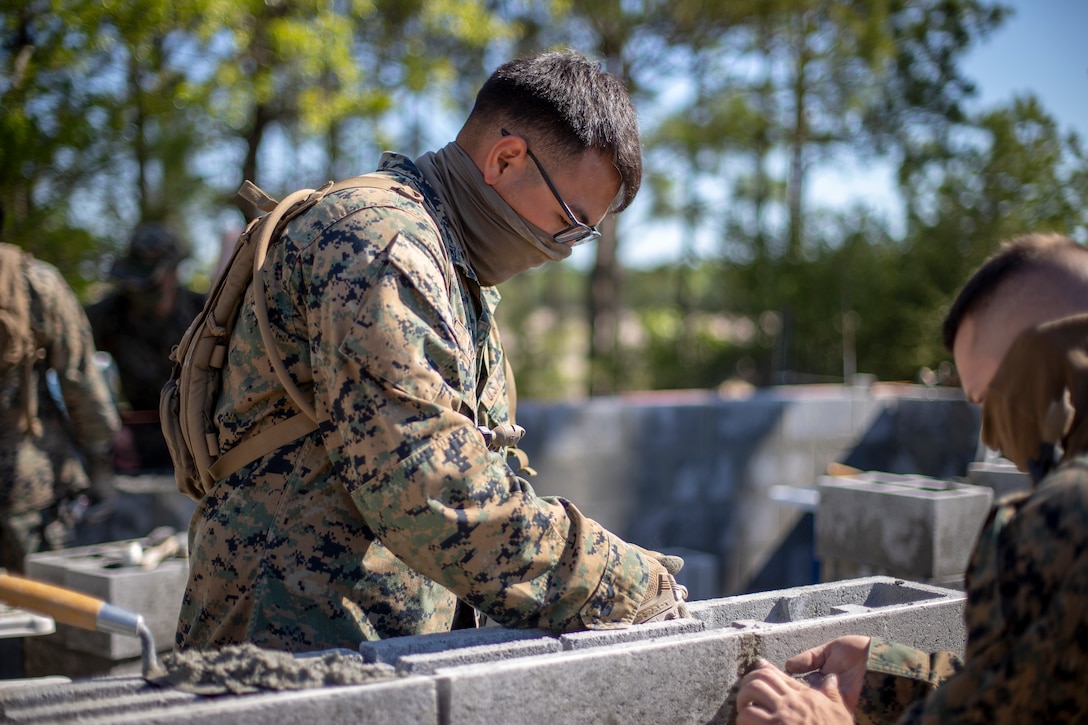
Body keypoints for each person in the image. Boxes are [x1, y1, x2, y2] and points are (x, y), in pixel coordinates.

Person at [175, 49, 688, 653]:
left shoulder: (449, 261)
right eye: (570, 221)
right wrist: (617, 582)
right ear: (506, 158)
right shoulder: (384, 243)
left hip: (359, 652)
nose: (566, 248)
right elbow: (431, 492)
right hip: (285, 655)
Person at [735, 231, 1088, 724]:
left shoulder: (1062, 518)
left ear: (1043, 360)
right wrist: (892, 679)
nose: (995, 436)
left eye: (990, 398)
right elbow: (1042, 696)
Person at [0, 207, 121, 573]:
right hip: (29, 487)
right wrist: (101, 467)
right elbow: (81, 381)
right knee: (39, 611)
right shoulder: (35, 282)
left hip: (28, 489)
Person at [86, 223, 205, 472]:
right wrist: (107, 429)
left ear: (173, 274)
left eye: (150, 287)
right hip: (130, 443)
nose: (138, 294)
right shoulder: (107, 314)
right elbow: (78, 371)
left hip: (198, 440)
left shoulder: (204, 313)